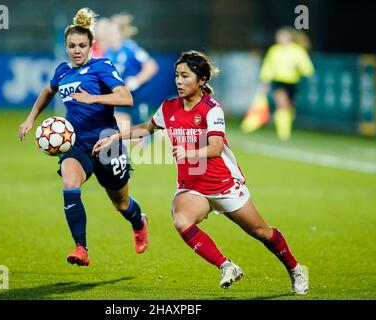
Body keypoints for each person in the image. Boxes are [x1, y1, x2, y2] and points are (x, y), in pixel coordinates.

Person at [93, 50, 309, 294]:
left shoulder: (212, 110)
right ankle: (227, 266)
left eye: (185, 76)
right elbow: (147, 128)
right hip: (193, 187)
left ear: (202, 80)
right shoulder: (168, 108)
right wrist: (115, 136)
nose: (179, 81)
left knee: (261, 232)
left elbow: (216, 149)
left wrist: (190, 154)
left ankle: (295, 269)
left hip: (223, 184)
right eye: (177, 75)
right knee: (181, 220)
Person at [18, 8, 149, 267]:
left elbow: (126, 98)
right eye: (71, 46)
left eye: (81, 45)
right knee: (70, 185)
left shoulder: (102, 66)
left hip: (107, 141)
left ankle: (139, 221)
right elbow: (47, 91)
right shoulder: (62, 71)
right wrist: (31, 118)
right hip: (76, 143)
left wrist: (94, 98)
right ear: (65, 47)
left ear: (91, 46)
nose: (76, 50)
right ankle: (81, 248)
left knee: (121, 204)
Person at [241, 27, 315, 141]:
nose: (280, 39)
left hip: (293, 83)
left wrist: (298, 67)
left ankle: (284, 128)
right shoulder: (274, 50)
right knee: (282, 104)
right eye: (279, 36)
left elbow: (308, 69)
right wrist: (264, 81)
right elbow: (267, 67)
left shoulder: (297, 51)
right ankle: (283, 134)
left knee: (289, 109)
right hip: (279, 82)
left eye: (283, 36)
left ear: (290, 38)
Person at [105, 13, 159, 130]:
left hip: (138, 98)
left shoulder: (130, 48)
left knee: (138, 138)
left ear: (120, 33)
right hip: (121, 99)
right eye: (108, 31)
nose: (109, 35)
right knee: (120, 131)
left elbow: (151, 66)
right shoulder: (108, 53)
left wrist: (137, 80)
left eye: (112, 31)